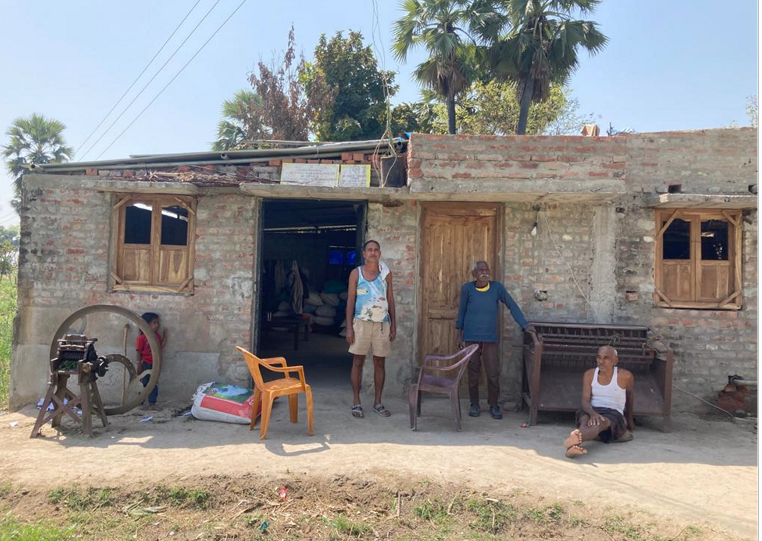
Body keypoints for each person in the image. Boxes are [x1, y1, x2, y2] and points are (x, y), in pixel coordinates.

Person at [455, 261, 530, 420]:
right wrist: (458, 334)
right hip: (471, 337)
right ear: (474, 273)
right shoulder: (467, 289)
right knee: (473, 372)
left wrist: (524, 324)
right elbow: (461, 312)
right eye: (480, 270)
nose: (485, 272)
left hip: (489, 337)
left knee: (493, 373)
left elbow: (512, 305)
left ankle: (494, 404)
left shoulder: (497, 288)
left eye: (487, 269)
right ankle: (474, 403)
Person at [345, 240, 396, 419]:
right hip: (361, 323)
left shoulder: (386, 274)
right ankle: (356, 402)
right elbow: (350, 300)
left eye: (376, 250)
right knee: (358, 361)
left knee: (379, 363)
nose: (373, 253)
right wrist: (349, 328)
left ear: (379, 253)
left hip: (382, 324)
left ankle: (378, 402)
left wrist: (394, 324)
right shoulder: (356, 273)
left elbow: (390, 299)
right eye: (370, 250)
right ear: (364, 254)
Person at [563, 346, 635, 458]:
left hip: (613, 413)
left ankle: (573, 442)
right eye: (599, 357)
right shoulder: (589, 374)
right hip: (591, 409)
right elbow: (585, 400)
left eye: (606, 358)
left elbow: (629, 397)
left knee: (598, 423)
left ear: (615, 361)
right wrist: (592, 413)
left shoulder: (625, 376)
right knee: (585, 421)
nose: (601, 362)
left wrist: (630, 420)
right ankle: (572, 447)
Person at [135, 312, 167, 411]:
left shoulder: (156, 336)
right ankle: (140, 401)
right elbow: (138, 352)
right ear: (146, 325)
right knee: (144, 383)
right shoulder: (142, 338)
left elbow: (160, 347)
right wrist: (138, 364)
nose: (157, 325)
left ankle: (152, 403)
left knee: (154, 383)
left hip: (155, 364)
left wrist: (165, 337)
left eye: (158, 323)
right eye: (154, 323)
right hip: (145, 363)